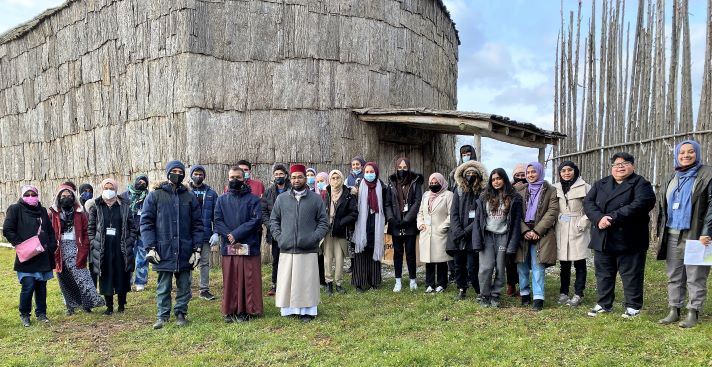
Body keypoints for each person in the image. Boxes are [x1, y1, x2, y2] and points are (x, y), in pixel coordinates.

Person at [584, 152, 655, 318]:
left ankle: (633, 306)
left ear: (633, 166)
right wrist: (598, 218)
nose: (620, 166)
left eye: (625, 163)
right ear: (612, 167)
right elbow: (588, 203)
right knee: (603, 273)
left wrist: (612, 218)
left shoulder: (641, 183)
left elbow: (640, 205)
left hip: (630, 237)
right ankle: (603, 303)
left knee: (631, 274)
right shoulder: (600, 183)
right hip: (603, 235)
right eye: (616, 164)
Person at [141, 160, 204, 329]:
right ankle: (162, 315)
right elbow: (146, 222)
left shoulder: (189, 197)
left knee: (184, 285)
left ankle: (181, 313)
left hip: (184, 249)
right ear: (168, 172)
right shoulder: (155, 196)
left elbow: (197, 224)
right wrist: (150, 247)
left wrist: (197, 249)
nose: (177, 173)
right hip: (163, 249)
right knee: (163, 286)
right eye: (174, 170)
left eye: (180, 171)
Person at [656, 140, 712, 328]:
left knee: (696, 274)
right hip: (672, 233)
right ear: (677, 155)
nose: (685, 156)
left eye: (690, 152)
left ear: (697, 153)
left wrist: (707, 232)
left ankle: (693, 311)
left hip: (697, 234)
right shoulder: (672, 176)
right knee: (675, 274)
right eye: (682, 153)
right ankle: (674, 309)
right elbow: (664, 206)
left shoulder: (707, 173)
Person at [269, 164, 328, 322]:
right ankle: (289, 310)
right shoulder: (282, 199)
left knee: (306, 282)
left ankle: (307, 311)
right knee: (288, 281)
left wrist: (314, 238)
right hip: (287, 247)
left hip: (307, 248)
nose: (296, 180)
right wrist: (280, 238)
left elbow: (323, 222)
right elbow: (274, 220)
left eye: (300, 177)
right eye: (294, 177)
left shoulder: (315, 199)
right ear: (290, 178)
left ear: (305, 178)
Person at [214, 166, 263, 322]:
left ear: (244, 179)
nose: (235, 180)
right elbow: (217, 220)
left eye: (238, 177)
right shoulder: (221, 200)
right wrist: (229, 236)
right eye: (232, 177)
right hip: (229, 246)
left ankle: (246, 310)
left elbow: (256, 220)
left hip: (248, 244)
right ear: (228, 178)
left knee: (247, 279)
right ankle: (230, 310)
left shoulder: (253, 199)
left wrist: (236, 234)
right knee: (230, 279)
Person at [3, 185, 57, 327]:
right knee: (28, 285)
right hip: (27, 255)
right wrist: (21, 245)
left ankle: (41, 313)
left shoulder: (42, 210)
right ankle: (25, 314)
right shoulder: (15, 209)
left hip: (43, 255)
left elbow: (50, 230)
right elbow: (8, 229)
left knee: (41, 286)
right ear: (22, 195)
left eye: (33, 194)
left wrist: (52, 246)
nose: (31, 197)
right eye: (27, 194)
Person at [48, 183, 105, 315]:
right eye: (63, 196)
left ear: (73, 197)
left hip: (76, 247)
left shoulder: (80, 213)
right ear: (58, 197)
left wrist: (84, 248)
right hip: (59, 249)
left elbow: (86, 232)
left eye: (69, 196)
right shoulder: (53, 213)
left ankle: (88, 303)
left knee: (82, 277)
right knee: (65, 278)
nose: (66, 198)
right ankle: (71, 306)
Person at [473, 169, 523, 308]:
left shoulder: (514, 198)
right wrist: (477, 241)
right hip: (487, 236)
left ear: (505, 179)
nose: (496, 182)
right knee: (486, 267)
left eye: (499, 178)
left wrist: (512, 244)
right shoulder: (484, 197)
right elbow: (478, 221)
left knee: (501, 268)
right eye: (493, 179)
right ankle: (484, 295)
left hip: (503, 236)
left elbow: (516, 223)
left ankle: (495, 295)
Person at [89, 179, 136, 315]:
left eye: (111, 188)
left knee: (122, 274)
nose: (109, 191)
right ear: (102, 189)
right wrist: (93, 242)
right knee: (106, 274)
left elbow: (132, 227)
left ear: (115, 190)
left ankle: (121, 305)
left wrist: (130, 240)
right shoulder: (96, 206)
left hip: (121, 245)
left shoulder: (124, 205)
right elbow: (91, 228)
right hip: (103, 247)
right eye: (106, 188)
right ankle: (109, 306)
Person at [515, 162, 559, 311]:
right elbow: (515, 214)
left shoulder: (550, 191)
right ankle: (525, 293)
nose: (530, 175)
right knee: (522, 265)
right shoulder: (520, 191)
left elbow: (552, 212)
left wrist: (537, 231)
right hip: (523, 233)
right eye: (528, 172)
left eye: (534, 172)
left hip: (542, 233)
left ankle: (538, 298)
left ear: (540, 172)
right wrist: (525, 231)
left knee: (537, 265)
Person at [447, 159, 487, 301]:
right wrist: (457, 231)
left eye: (473, 173)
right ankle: (461, 288)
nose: (470, 175)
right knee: (458, 265)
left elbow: (480, 215)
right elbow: (454, 213)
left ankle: (478, 290)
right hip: (458, 235)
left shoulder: (482, 192)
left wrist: (467, 231)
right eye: (468, 172)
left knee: (472, 266)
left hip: (473, 235)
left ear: (478, 175)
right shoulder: (458, 191)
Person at [553, 161, 591, 307]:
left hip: (577, 226)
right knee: (564, 263)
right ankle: (563, 292)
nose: (566, 173)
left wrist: (583, 222)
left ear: (575, 171)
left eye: (569, 170)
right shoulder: (555, 188)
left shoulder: (585, 187)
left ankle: (578, 293)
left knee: (580, 262)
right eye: (563, 171)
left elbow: (592, 206)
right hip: (562, 226)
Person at [385, 157, 424, 292]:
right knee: (397, 253)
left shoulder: (415, 182)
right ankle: (398, 281)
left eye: (405, 167)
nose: (402, 170)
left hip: (409, 223)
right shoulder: (391, 182)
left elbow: (418, 201)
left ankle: (413, 280)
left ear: (409, 167)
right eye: (400, 167)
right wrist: (391, 219)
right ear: (396, 168)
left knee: (410, 253)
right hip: (395, 223)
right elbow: (388, 203)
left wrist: (407, 219)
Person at [352, 162, 387, 292]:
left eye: (372, 172)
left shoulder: (382, 187)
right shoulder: (358, 187)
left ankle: (374, 282)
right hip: (362, 223)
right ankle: (360, 283)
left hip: (376, 223)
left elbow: (386, 204)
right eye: (366, 172)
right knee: (361, 252)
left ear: (376, 173)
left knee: (373, 250)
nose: (369, 174)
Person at [322, 170, 358, 295]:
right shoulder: (325, 193)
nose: (335, 180)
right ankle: (328, 283)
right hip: (327, 230)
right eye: (333, 177)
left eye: (338, 177)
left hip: (341, 230)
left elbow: (354, 213)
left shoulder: (348, 194)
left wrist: (342, 222)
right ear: (329, 180)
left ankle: (338, 283)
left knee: (339, 258)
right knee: (327, 258)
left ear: (342, 179)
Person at [417, 173, 453, 293]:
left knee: (441, 260)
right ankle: (430, 284)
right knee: (429, 260)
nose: (433, 185)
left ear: (441, 182)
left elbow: (451, 214)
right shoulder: (426, 195)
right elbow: (420, 212)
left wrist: (443, 227)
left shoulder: (448, 195)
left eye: (436, 183)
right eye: (431, 183)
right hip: (426, 232)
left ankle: (442, 284)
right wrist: (420, 223)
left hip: (440, 232)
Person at [188, 165, 220, 301]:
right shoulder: (185, 192)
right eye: (196, 173)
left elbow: (217, 215)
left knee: (205, 263)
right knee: (188, 262)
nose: (198, 176)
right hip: (188, 234)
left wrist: (216, 232)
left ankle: (204, 289)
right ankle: (186, 290)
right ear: (191, 175)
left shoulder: (212, 194)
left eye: (201, 174)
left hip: (206, 233)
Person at [261, 163, 291, 296]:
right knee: (277, 259)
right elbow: (263, 212)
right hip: (275, 232)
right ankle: (275, 284)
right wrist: (271, 226)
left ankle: (290, 283)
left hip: (291, 231)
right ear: (273, 176)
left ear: (286, 175)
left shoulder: (292, 190)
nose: (279, 176)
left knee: (291, 258)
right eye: (276, 174)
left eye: (281, 174)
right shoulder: (268, 192)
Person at [119, 175, 150, 292]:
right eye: (140, 181)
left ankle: (140, 282)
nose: (141, 183)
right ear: (135, 181)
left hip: (144, 231)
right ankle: (127, 281)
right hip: (128, 231)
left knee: (143, 257)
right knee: (128, 256)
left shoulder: (149, 196)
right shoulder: (124, 196)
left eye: (144, 182)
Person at [505, 162, 528, 297]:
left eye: (522, 174)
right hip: (511, 224)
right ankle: (511, 284)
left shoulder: (531, 187)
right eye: (517, 175)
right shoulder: (508, 189)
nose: (520, 177)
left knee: (523, 258)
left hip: (526, 224)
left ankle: (523, 285)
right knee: (510, 258)